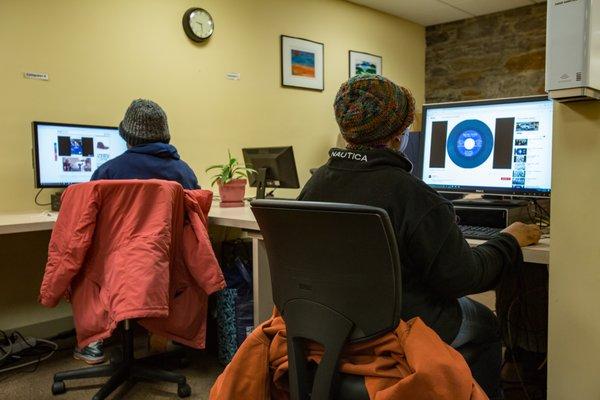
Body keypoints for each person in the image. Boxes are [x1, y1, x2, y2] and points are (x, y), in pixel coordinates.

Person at [297, 75, 541, 399]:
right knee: (485, 321)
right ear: (400, 135)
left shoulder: (313, 187)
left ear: (345, 130)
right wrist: (509, 241)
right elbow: (462, 277)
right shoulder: (412, 194)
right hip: (395, 329)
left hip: (327, 325)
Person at [73, 99, 200, 365]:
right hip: (164, 265)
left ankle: (95, 339)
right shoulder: (183, 173)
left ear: (126, 136)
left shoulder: (107, 171)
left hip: (115, 268)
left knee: (83, 255)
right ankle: (167, 333)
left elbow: (87, 225)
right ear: (165, 135)